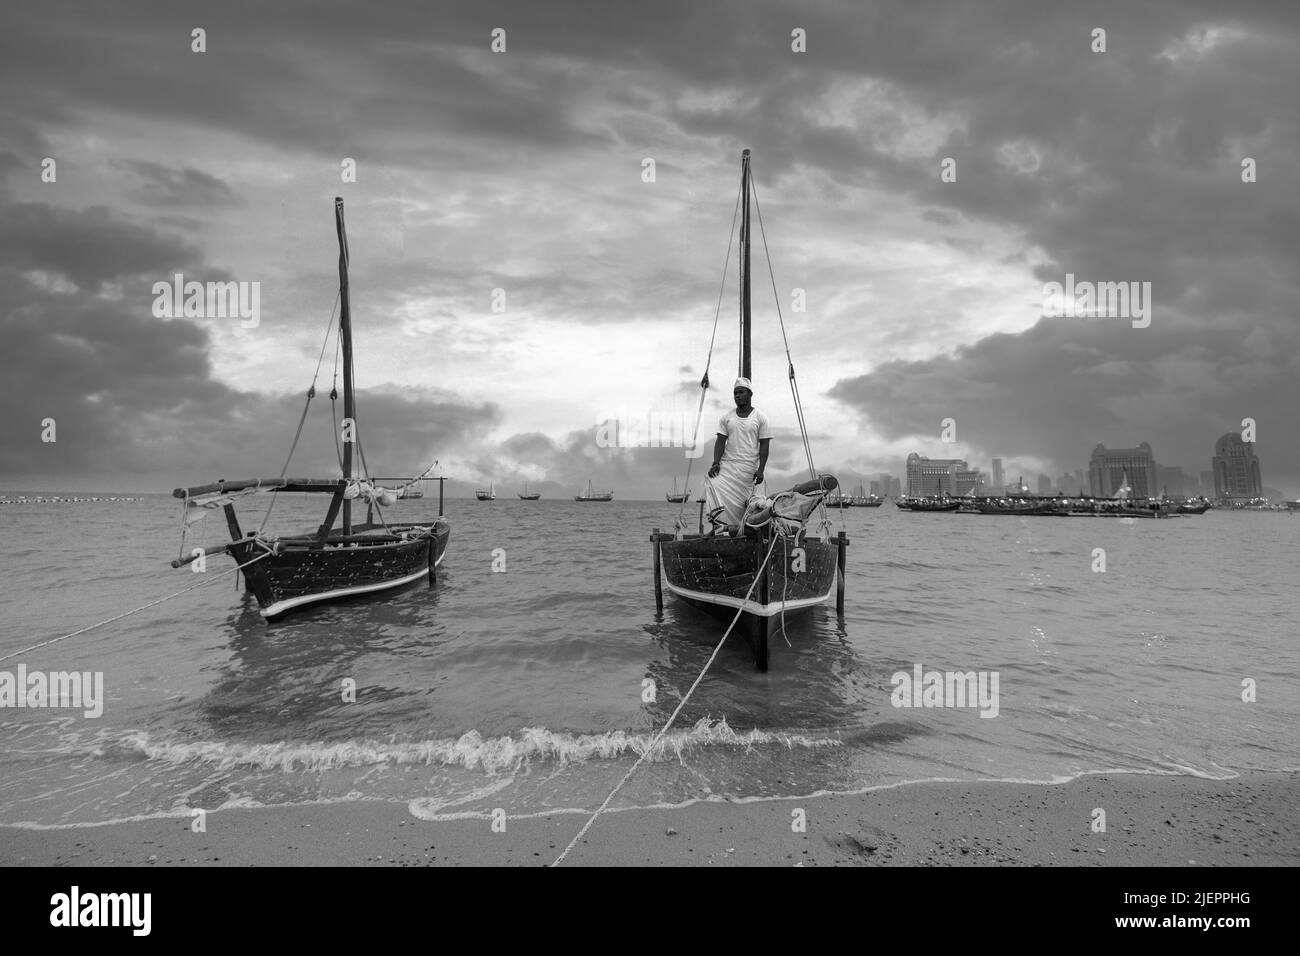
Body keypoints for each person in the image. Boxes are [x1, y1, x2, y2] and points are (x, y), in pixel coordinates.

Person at [706, 377, 771, 532]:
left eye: (741, 392)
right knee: (712, 482)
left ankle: (738, 529)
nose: (737, 396)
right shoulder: (726, 418)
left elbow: (765, 445)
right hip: (727, 464)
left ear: (750, 394)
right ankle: (719, 526)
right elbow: (721, 441)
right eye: (735, 393)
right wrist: (716, 462)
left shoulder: (760, 417)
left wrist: (761, 469)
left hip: (748, 467)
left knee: (743, 501)